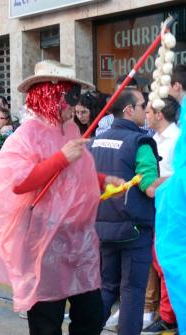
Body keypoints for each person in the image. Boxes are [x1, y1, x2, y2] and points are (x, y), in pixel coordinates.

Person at [0, 60, 123, 334]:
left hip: (79, 242)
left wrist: (106, 181)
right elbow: (19, 182)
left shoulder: (70, 130)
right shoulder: (25, 135)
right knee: (47, 321)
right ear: (50, 94)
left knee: (91, 316)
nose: (75, 105)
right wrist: (60, 158)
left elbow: (76, 177)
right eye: (69, 96)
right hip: (43, 244)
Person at [89, 89, 160, 335]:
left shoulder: (96, 140)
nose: (146, 109)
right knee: (132, 291)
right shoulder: (140, 143)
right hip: (133, 230)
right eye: (143, 105)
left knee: (107, 287)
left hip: (102, 228)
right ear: (129, 109)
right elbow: (150, 188)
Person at [141, 96, 180, 334]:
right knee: (157, 263)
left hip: (172, 211)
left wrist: (157, 183)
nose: (145, 115)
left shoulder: (177, 140)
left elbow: (180, 176)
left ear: (159, 114)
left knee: (167, 263)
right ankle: (163, 313)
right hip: (156, 209)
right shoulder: (154, 139)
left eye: (148, 111)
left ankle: (169, 317)